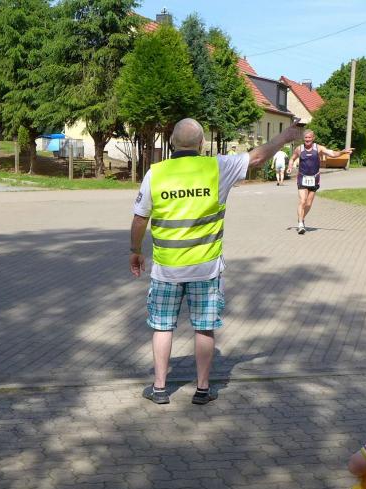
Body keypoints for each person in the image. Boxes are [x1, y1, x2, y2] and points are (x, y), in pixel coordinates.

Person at [129, 118, 301, 405]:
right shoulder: (217, 167)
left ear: (171, 142)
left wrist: (135, 250)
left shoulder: (155, 173)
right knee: (204, 327)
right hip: (206, 267)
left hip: (166, 269)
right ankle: (203, 389)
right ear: (201, 144)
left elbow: (139, 218)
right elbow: (257, 158)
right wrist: (284, 138)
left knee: (163, 326)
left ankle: (159, 388)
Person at [287, 129, 353, 234]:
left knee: (308, 204)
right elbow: (292, 158)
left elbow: (332, 154)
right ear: (303, 138)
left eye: (309, 137)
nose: (307, 139)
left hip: (314, 178)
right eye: (306, 138)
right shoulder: (299, 149)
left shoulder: (318, 148)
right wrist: (290, 166)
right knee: (302, 200)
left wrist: (342, 152)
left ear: (313, 138)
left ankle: (301, 219)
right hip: (302, 178)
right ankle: (300, 224)